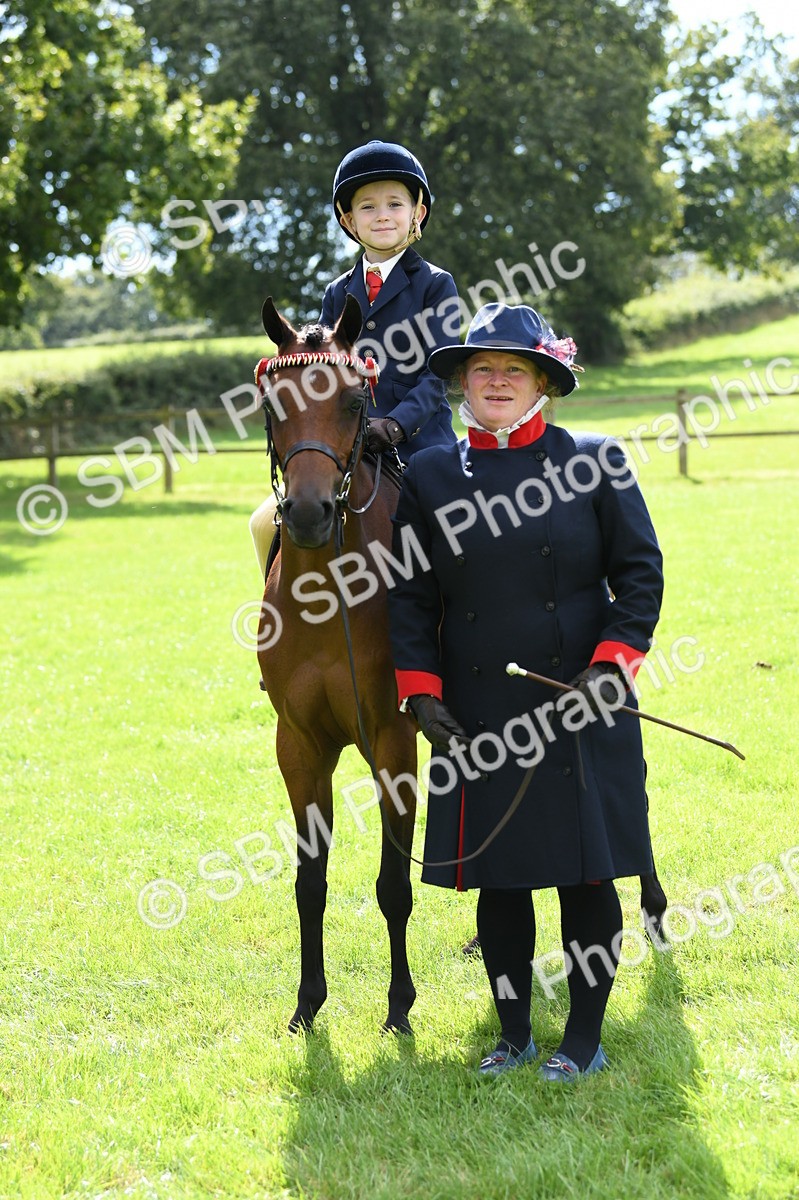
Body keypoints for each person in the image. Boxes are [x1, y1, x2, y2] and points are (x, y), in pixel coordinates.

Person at [387, 302, 664, 1080]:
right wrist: (420, 693)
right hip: (478, 711)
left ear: (543, 383)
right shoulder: (429, 475)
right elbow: (408, 595)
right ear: (462, 384)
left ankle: (583, 1038)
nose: (497, 381)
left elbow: (639, 575)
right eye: (482, 369)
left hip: (580, 701)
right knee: (500, 880)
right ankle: (513, 1034)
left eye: (514, 369)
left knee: (585, 874)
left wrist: (609, 668)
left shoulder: (595, 461)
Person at [249, 139, 459, 578]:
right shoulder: (337, 291)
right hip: (349, 443)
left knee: (450, 525)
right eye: (368, 207)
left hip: (419, 443)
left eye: (394, 204)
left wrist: (396, 424)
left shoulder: (436, 285)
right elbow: (321, 374)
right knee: (262, 523)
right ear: (348, 220)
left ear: (417, 213)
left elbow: (436, 376)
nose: (382, 215)